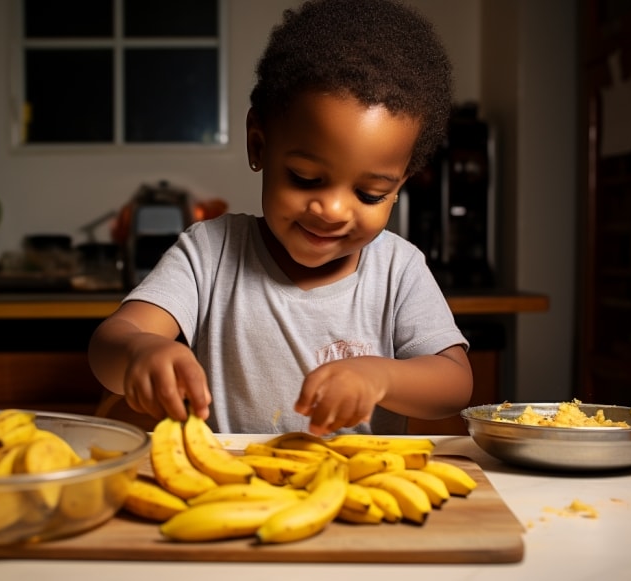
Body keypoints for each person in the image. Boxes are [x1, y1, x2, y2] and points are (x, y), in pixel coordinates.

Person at [88, 0, 472, 436]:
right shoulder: (209, 253)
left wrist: (382, 376)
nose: (332, 210)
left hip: (360, 493)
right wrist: (139, 350)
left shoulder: (397, 270)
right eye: (305, 178)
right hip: (238, 493)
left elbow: (455, 383)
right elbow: (110, 343)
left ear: (399, 186)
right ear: (258, 145)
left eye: (369, 194)